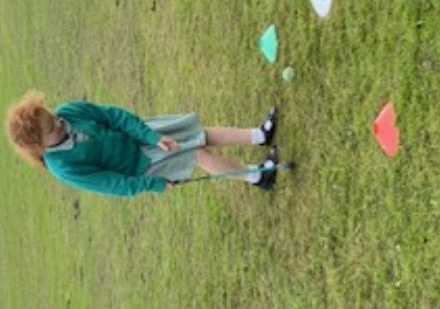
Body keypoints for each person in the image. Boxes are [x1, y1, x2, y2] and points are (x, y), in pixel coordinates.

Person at [5, 91, 279, 197]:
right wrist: (153, 184)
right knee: (197, 154)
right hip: (141, 166)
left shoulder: (68, 112)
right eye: (51, 128)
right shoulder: (64, 167)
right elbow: (112, 184)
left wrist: (152, 137)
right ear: (40, 146)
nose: (59, 122)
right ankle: (259, 176)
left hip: (139, 136)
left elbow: (113, 116)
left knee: (199, 134)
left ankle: (260, 135)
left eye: (52, 116)